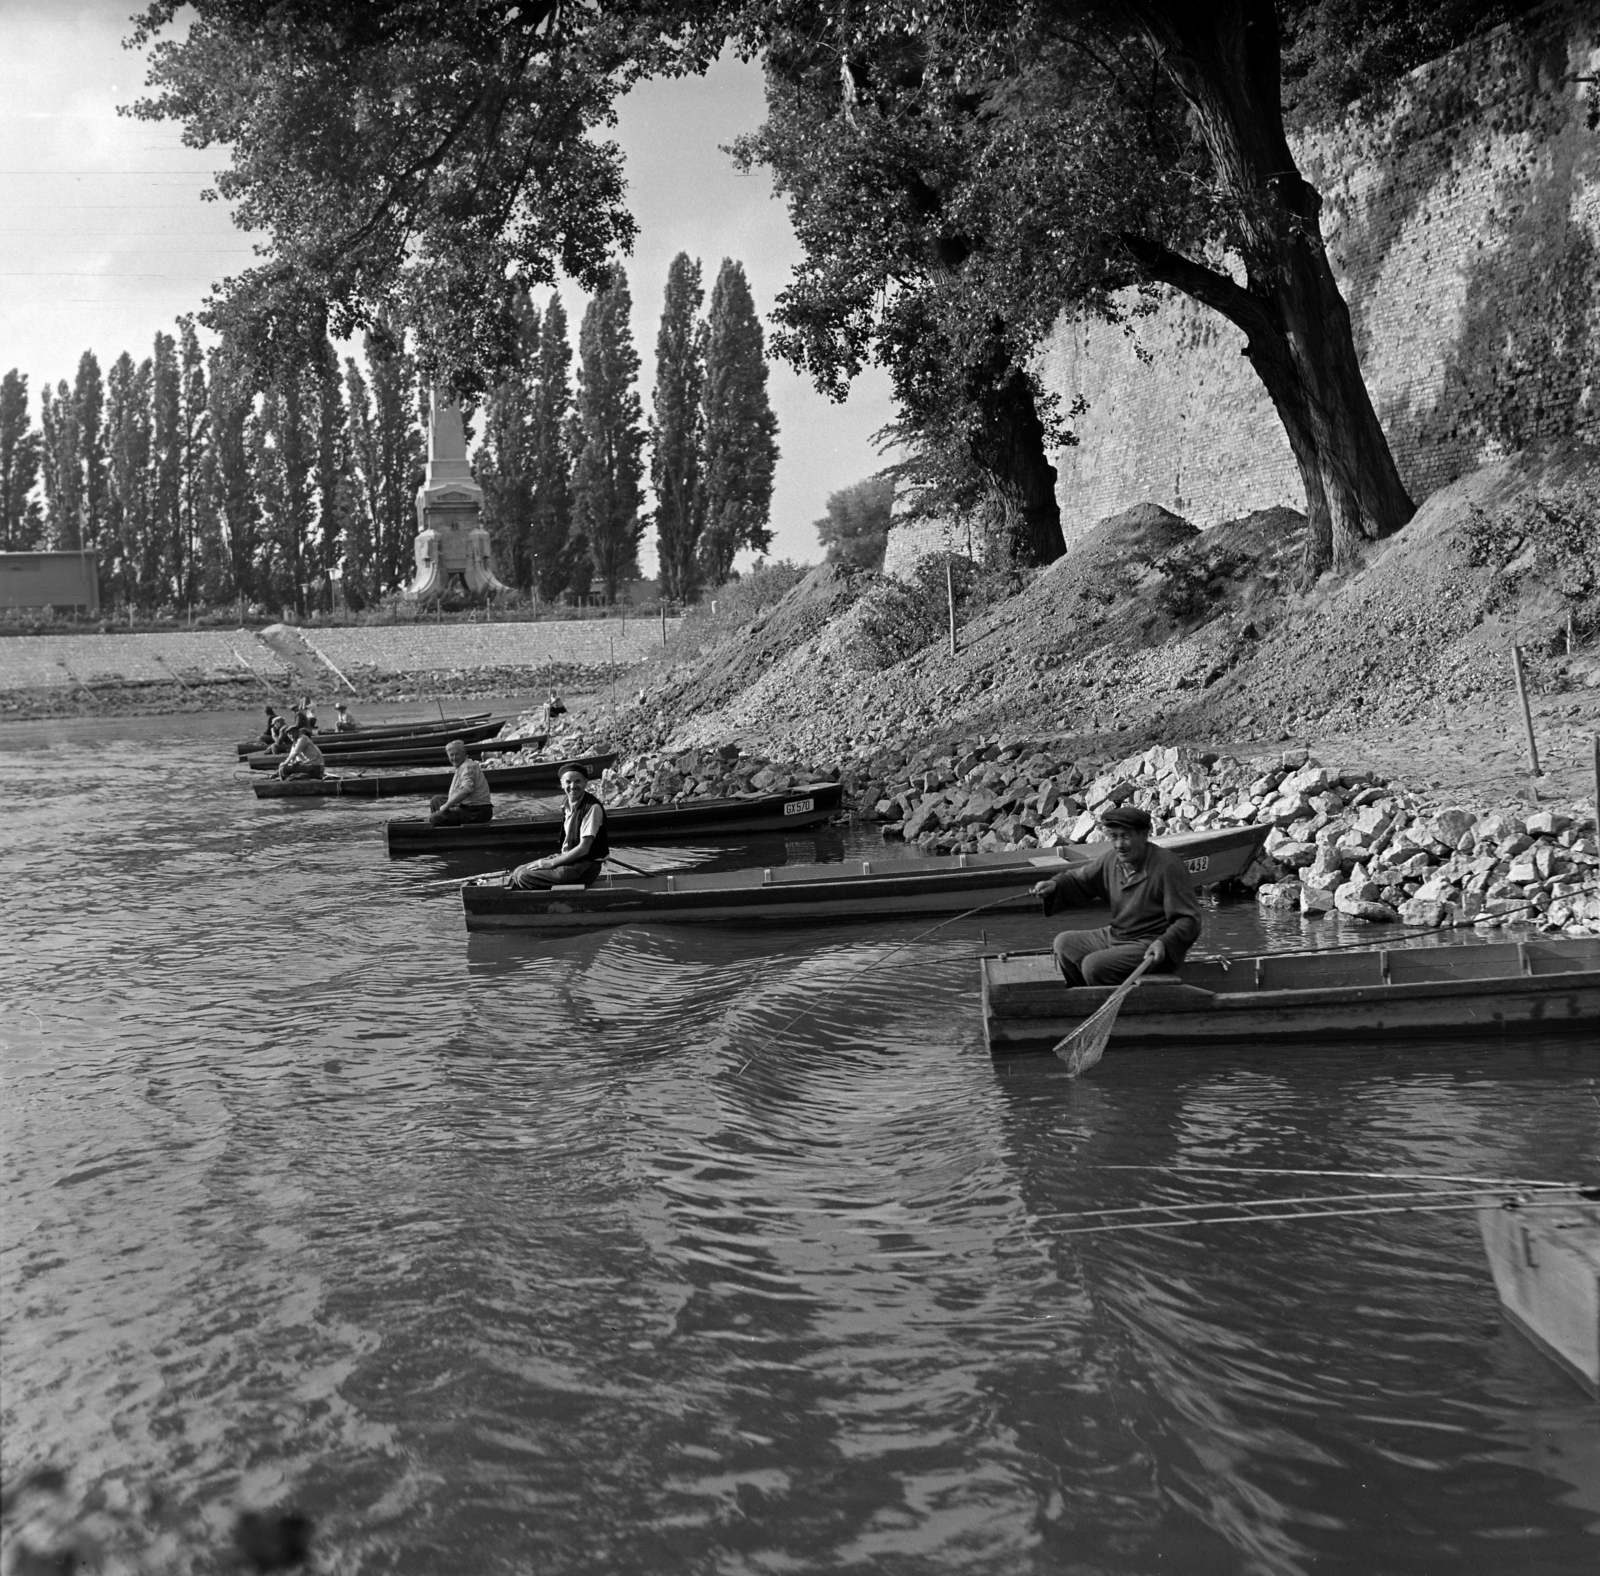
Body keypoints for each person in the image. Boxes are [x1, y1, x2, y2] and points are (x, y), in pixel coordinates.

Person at [1029, 804, 1202, 987]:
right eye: (1114, 837)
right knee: (1064, 944)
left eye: (1126, 837)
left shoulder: (1168, 867)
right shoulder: (1112, 860)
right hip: (1117, 936)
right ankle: (1087, 997)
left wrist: (1165, 943)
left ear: (1144, 835)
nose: (1119, 845)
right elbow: (1080, 879)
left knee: (1093, 966)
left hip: (1151, 945)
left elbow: (1189, 920)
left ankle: (1116, 1006)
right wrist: (1055, 885)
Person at [507, 765, 607, 888]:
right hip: (570, 860)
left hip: (584, 867)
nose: (573, 786)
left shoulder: (592, 807)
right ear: (561, 783)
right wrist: (551, 862)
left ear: (586, 782)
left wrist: (550, 863)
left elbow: (584, 848)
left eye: (578, 781)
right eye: (568, 782)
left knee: (524, 876)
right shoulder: (566, 803)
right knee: (517, 871)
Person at [428, 739, 493, 826]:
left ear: (464, 753)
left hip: (477, 811)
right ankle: (445, 824)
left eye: (457, 754)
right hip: (467, 806)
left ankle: (445, 826)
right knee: (436, 800)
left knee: (434, 818)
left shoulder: (468, 767)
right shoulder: (461, 766)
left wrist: (447, 805)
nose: (454, 758)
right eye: (451, 755)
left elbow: (466, 790)